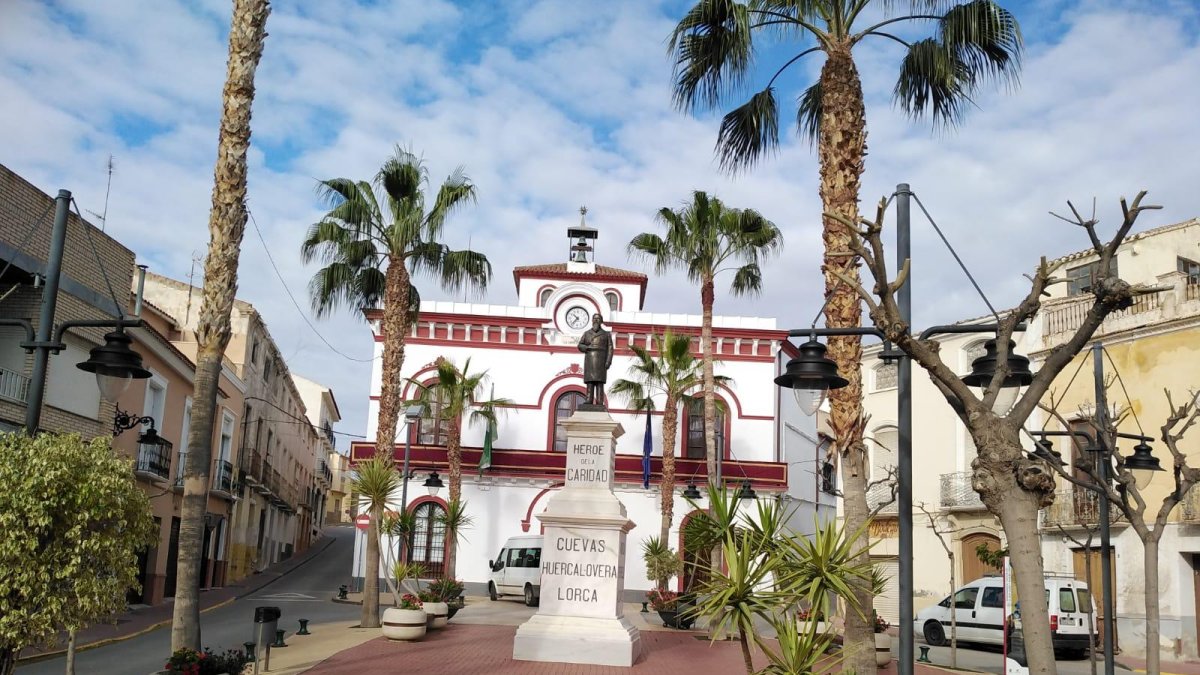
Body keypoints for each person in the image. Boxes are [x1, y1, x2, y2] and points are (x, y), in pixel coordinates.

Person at [577, 313, 613, 407]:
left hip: (601, 359)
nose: (596, 320)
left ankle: (600, 401)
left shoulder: (606, 334)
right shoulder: (586, 333)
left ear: (601, 321)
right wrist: (586, 347)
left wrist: (608, 361)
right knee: (590, 381)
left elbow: (610, 349)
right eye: (594, 319)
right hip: (590, 359)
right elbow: (580, 345)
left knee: (600, 382)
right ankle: (589, 399)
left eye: (598, 319)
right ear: (592, 321)